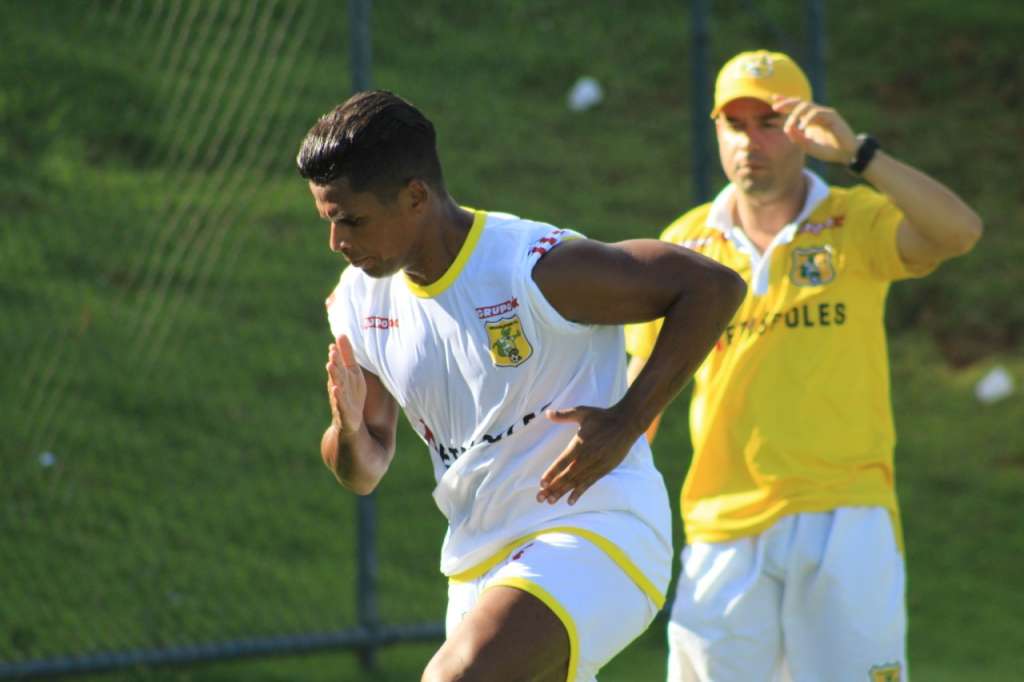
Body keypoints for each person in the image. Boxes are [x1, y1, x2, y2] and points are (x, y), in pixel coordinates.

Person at [296, 90, 746, 682]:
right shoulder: (359, 301)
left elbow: (712, 287)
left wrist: (627, 421)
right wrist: (348, 429)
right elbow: (364, 470)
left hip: (595, 530)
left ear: (414, 197)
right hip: (476, 565)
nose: (337, 241)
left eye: (350, 220)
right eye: (328, 221)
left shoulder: (532, 267)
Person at [625, 50, 983, 682]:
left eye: (769, 122)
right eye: (735, 124)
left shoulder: (854, 220)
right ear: (716, 130)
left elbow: (959, 232)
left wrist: (860, 156)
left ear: (802, 129)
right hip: (722, 525)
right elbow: (638, 395)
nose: (750, 141)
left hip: (845, 513)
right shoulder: (682, 245)